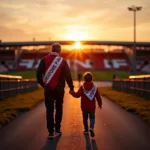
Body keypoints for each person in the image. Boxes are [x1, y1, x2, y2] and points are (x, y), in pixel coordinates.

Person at [36, 43, 74, 139]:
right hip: (60, 89)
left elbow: (38, 75)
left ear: (51, 50)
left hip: (48, 88)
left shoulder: (43, 60)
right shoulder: (63, 61)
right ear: (60, 51)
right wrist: (71, 87)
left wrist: (43, 85)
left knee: (49, 109)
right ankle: (57, 128)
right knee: (59, 107)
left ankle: (50, 131)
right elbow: (68, 76)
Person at [70, 72, 102, 137]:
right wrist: (100, 103)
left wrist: (72, 93)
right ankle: (91, 128)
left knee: (85, 119)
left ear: (84, 79)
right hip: (92, 107)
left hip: (84, 107)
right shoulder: (94, 87)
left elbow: (77, 95)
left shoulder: (82, 87)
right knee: (92, 118)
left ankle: (86, 130)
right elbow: (98, 96)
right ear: (91, 79)